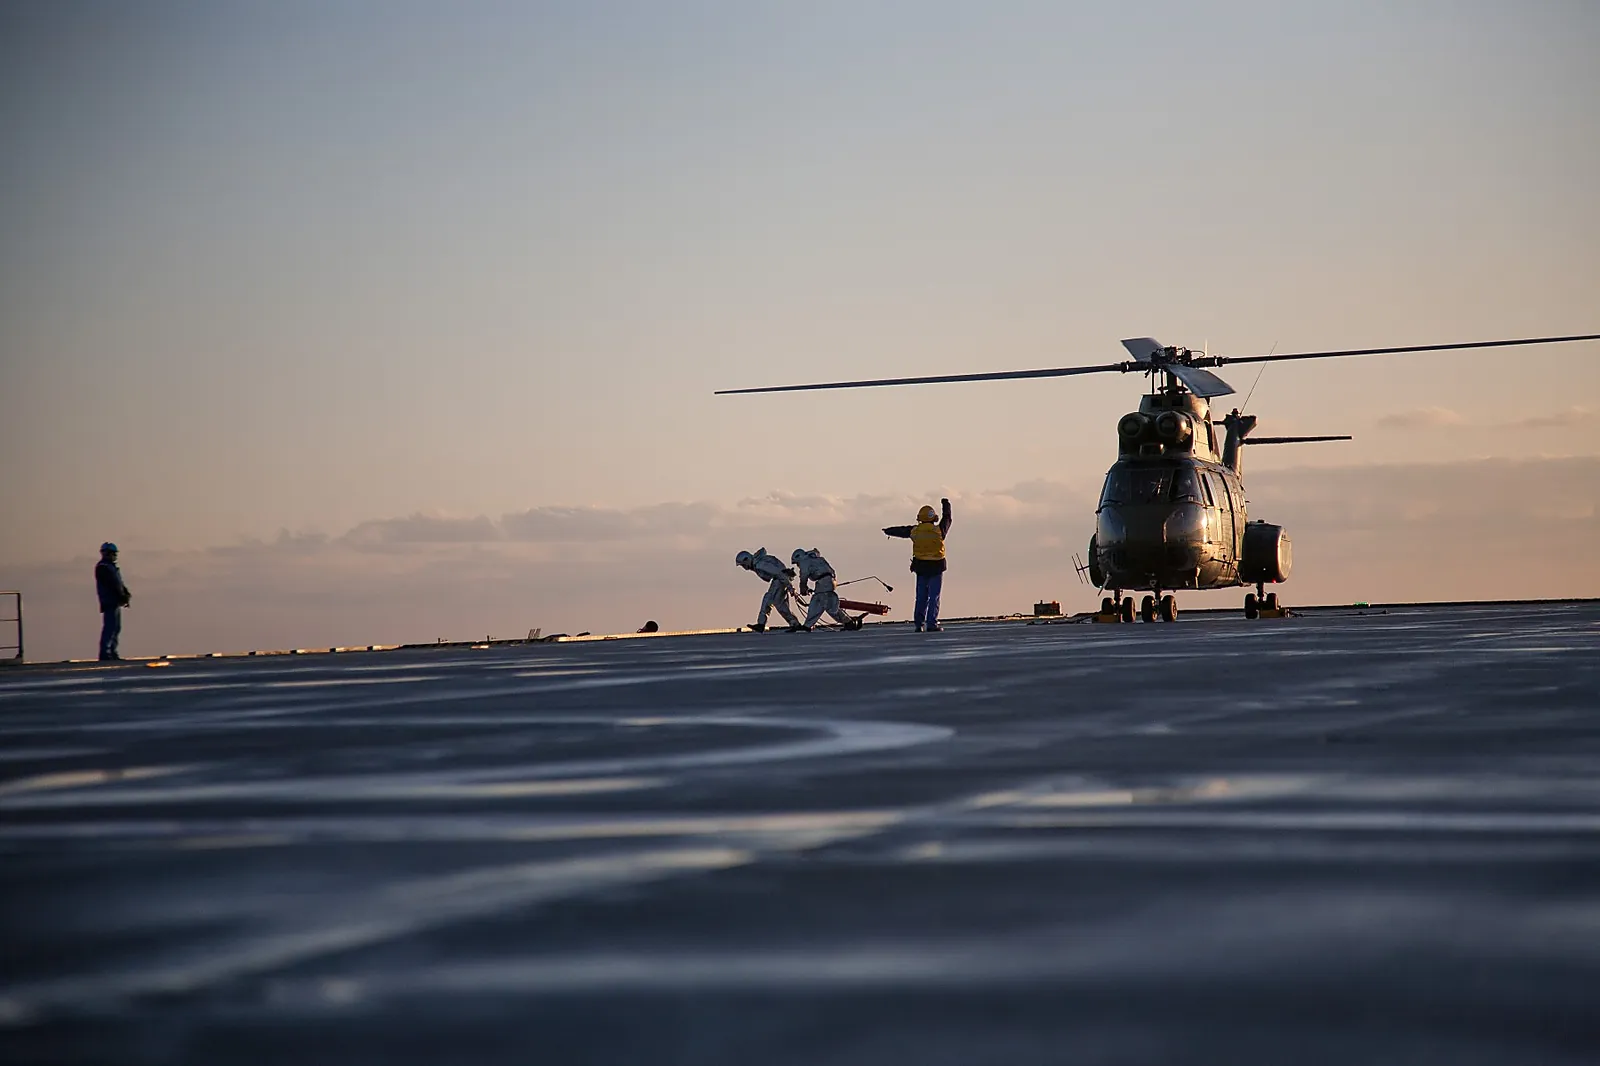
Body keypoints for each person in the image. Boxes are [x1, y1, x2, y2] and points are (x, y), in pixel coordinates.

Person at [883, 498, 951, 631]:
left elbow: (901, 530)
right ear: (934, 518)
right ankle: (932, 624)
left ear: (920, 518)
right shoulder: (939, 530)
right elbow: (947, 518)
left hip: (921, 568)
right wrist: (946, 504)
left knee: (921, 597)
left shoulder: (915, 531)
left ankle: (919, 625)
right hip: (936, 568)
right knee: (934, 596)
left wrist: (888, 530)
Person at [736, 548, 803, 632]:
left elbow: (778, 573)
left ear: (747, 560)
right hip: (780, 579)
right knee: (774, 602)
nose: (744, 567)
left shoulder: (760, 564)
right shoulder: (759, 562)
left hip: (780, 580)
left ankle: (762, 624)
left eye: (743, 565)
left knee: (773, 601)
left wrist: (790, 587)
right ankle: (793, 624)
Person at [792, 547, 859, 631]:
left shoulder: (804, 562)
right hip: (828, 581)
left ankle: (848, 622)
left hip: (824, 582)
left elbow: (803, 577)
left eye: (796, 563)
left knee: (825, 603)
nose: (797, 565)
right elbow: (831, 571)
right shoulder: (817, 559)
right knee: (819, 602)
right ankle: (808, 625)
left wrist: (803, 588)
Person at [94, 542, 131, 660]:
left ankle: (112, 652)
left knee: (116, 627)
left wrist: (125, 593)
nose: (114, 556)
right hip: (109, 601)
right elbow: (112, 585)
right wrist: (121, 595)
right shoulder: (103, 567)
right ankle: (105, 653)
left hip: (115, 601)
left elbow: (118, 583)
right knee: (110, 627)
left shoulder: (112, 567)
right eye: (112, 553)